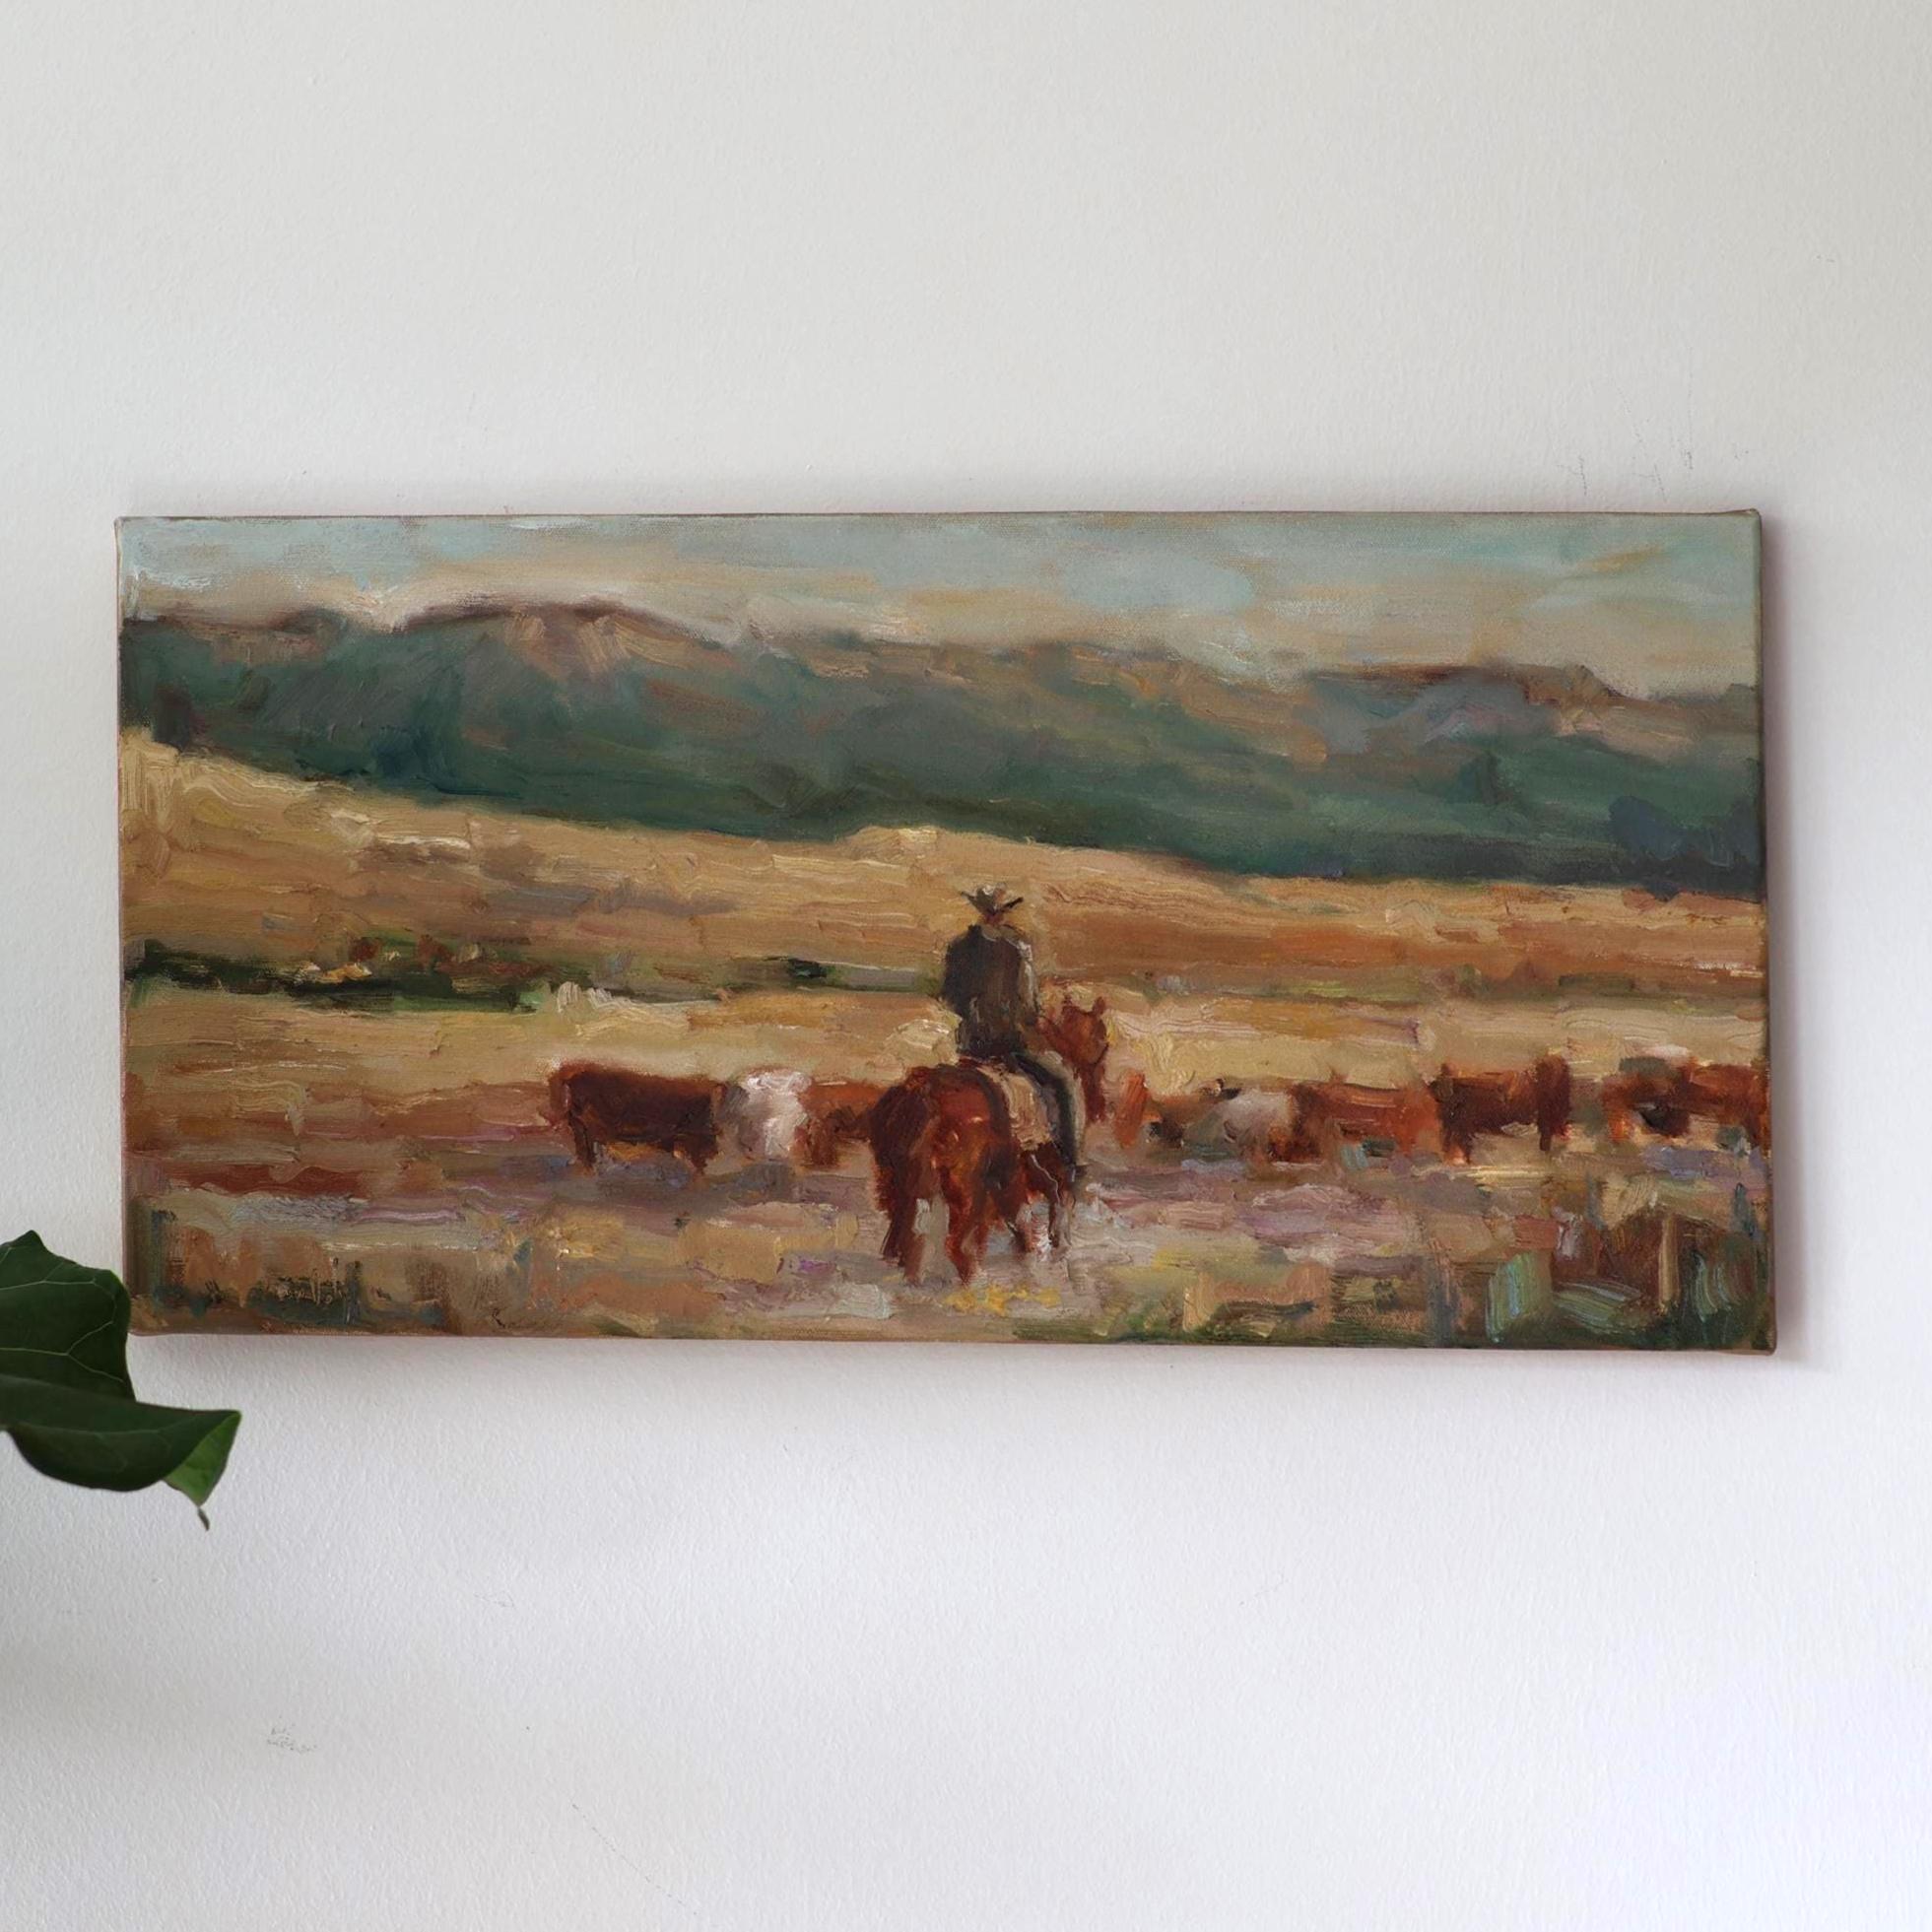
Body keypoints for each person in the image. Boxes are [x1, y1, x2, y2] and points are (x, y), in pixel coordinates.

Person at [940, 887, 1083, 1177]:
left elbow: (948, 996)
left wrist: (974, 1012)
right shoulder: (1017, 948)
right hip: (1007, 1046)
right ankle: (1069, 1161)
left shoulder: (959, 947)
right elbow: (1027, 1003)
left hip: (968, 1045)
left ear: (980, 912)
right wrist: (1027, 1019)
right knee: (1061, 1083)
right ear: (1003, 913)